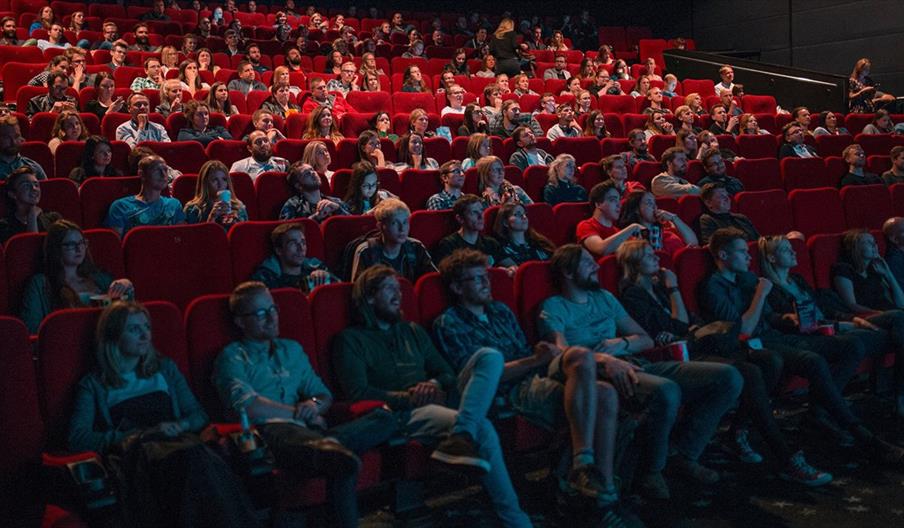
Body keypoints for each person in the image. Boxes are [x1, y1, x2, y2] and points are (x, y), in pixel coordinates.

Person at [432, 249, 629, 521]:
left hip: (533, 373)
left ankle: (592, 477)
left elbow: (525, 353)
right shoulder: (449, 323)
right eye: (476, 279)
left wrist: (538, 356)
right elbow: (481, 379)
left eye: (485, 277)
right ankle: (600, 496)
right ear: (456, 287)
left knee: (591, 371)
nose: (486, 283)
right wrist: (535, 360)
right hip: (508, 389)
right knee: (600, 390)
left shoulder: (500, 310)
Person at [617, 239, 832, 486]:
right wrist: (675, 289)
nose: (656, 257)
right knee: (749, 372)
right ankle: (785, 456)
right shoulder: (634, 294)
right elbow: (676, 326)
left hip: (702, 344)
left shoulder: (659, 288)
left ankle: (738, 432)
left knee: (769, 361)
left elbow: (684, 323)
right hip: (682, 355)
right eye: (647, 255)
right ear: (633, 264)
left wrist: (674, 300)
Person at [334, 265, 533, 527]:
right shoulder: (350, 339)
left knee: (490, 356)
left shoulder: (412, 331)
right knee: (482, 428)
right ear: (369, 297)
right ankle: (516, 520)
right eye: (389, 289)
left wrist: (432, 383)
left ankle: (461, 434)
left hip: (440, 397)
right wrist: (410, 397)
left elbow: (447, 373)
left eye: (399, 288)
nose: (398, 295)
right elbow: (358, 393)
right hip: (405, 412)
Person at [539, 243, 742, 498]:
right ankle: (652, 471)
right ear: (568, 272)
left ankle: (682, 453)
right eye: (587, 262)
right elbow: (563, 354)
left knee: (728, 377)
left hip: (636, 360)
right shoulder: (554, 306)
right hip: (601, 373)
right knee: (667, 391)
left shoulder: (605, 298)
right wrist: (603, 359)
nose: (596, 265)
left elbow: (645, 339)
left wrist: (620, 343)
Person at [700, 228, 904, 464]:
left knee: (851, 345)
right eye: (742, 252)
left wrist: (789, 319)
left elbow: (770, 318)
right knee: (812, 360)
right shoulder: (713, 287)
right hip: (753, 345)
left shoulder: (746, 279)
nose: (748, 257)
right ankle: (863, 436)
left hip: (776, 335)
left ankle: (819, 413)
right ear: (723, 255)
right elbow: (743, 329)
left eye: (748, 252)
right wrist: (760, 295)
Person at [214, 282, 396, 528]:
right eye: (260, 314)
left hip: (310, 432)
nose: (271, 317)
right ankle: (330, 449)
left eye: (273, 309)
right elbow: (246, 406)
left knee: (384, 418)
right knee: (339, 461)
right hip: (270, 434)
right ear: (240, 322)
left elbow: (322, 395)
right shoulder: (232, 356)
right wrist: (297, 414)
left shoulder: (292, 349)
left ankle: (329, 447)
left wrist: (313, 406)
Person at [70, 300, 261, 527]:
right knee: (195, 461)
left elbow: (198, 415)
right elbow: (78, 438)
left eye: (147, 327)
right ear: (113, 336)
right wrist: (134, 435)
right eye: (134, 329)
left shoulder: (164, 369)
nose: (145, 335)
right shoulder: (94, 385)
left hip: (179, 443)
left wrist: (180, 426)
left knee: (197, 458)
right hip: (140, 455)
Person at [761, 234, 904, 420]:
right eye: (786, 250)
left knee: (899, 319)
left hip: (837, 322)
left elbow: (825, 308)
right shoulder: (770, 288)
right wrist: (845, 324)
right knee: (891, 332)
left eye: (791, 248)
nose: (793, 252)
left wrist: (853, 319)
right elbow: (793, 322)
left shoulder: (797, 280)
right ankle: (898, 396)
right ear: (772, 258)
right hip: (822, 331)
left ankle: (898, 395)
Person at [20, 219, 132, 332]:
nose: (79, 249)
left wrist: (126, 286)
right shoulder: (40, 284)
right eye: (71, 244)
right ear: (56, 248)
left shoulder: (99, 278)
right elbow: (32, 329)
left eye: (81, 243)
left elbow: (125, 314)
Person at [348, 198, 436, 282]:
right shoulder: (367, 252)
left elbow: (432, 281)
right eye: (395, 223)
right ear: (380, 226)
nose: (402, 229)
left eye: (405, 222)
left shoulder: (416, 247)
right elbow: (359, 291)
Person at [104, 155, 184, 237]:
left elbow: (181, 240)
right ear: (141, 174)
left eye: (165, 170)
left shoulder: (174, 205)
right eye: (156, 170)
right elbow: (116, 245)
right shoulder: (120, 207)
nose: (163, 175)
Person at [250, 222, 337, 292]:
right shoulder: (267, 279)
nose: (300, 248)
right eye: (293, 243)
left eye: (303, 242)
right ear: (279, 250)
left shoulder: (317, 270)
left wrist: (328, 277)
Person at [434, 194, 514, 267]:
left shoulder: (491, 243)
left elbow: (512, 266)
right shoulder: (449, 245)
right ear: (460, 219)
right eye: (474, 212)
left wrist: (509, 270)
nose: (481, 216)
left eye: (481, 211)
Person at [618, 190, 698, 255]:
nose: (654, 207)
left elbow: (694, 243)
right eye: (649, 203)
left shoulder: (667, 226)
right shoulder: (631, 235)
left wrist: (674, 218)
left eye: (654, 203)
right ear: (636, 209)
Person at [576, 181, 643, 257]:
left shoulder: (617, 232)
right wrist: (633, 227)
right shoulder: (586, 225)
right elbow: (601, 249)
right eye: (613, 200)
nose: (619, 204)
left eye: (619, 200)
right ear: (598, 204)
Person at [0, 167, 60, 244]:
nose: (34, 188)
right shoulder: (4, 226)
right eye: (26, 185)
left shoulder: (53, 218)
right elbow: (30, 250)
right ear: (13, 194)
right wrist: (32, 216)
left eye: (36, 184)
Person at [183, 160, 248, 227]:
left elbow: (244, 234)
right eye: (215, 180)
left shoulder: (238, 207)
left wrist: (236, 224)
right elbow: (194, 236)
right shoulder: (192, 209)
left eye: (224, 179)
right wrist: (212, 217)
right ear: (205, 184)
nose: (221, 184)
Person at [279, 161, 349, 222]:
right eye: (306, 174)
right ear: (298, 185)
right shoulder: (293, 204)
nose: (312, 173)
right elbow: (287, 231)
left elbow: (355, 223)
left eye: (312, 170)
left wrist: (337, 209)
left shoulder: (335, 201)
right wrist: (316, 217)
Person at [0, 116, 47, 181]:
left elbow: (46, 190)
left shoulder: (34, 168)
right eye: (7, 137)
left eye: (16, 136)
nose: (13, 142)